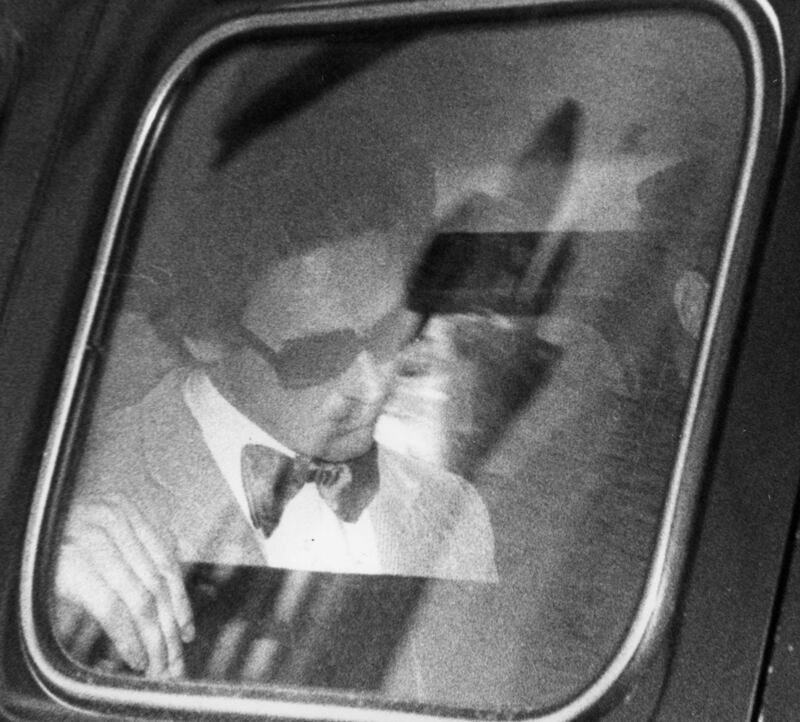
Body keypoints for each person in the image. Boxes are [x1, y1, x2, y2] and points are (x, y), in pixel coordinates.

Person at [53, 106, 497, 680]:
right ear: (205, 333)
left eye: (390, 332)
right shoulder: (59, 499)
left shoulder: (456, 517)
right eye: (319, 354)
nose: (372, 386)